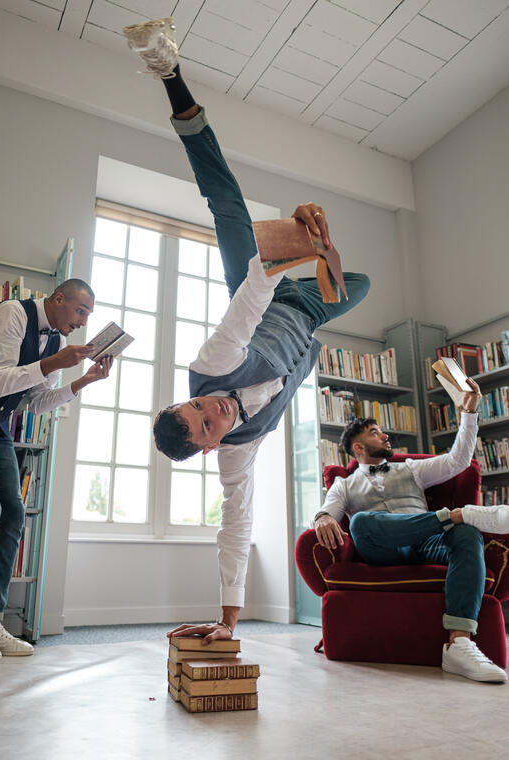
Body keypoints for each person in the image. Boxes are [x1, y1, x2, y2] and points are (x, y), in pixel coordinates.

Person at [123, 18, 370, 643]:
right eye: (210, 426)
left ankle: (168, 73)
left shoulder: (211, 362)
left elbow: (254, 292)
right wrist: (229, 623)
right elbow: (234, 525)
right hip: (308, 314)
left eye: (202, 405)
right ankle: (320, 255)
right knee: (359, 285)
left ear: (191, 395)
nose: (217, 412)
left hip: (264, 291)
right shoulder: (235, 455)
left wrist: (297, 240)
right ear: (209, 449)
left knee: (227, 204)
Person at [0, 278, 112, 663]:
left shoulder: (57, 343)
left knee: (13, 514)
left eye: (89, 315)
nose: (82, 322)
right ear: (59, 299)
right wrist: (52, 363)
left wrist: (83, 379)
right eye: (80, 311)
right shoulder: (13, 313)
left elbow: (35, 403)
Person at [314, 379, 509, 683]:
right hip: (385, 550)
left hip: (429, 540)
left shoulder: (410, 468)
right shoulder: (344, 484)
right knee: (361, 522)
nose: (385, 434)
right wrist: (323, 517)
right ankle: (457, 515)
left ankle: (459, 644)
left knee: (468, 535)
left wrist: (469, 414)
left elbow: (458, 461)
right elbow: (329, 511)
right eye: (375, 432)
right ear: (359, 447)